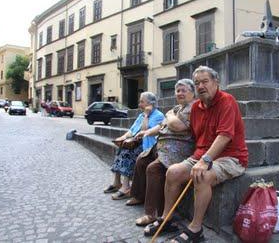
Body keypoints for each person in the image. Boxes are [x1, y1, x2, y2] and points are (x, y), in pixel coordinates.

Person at [144, 66, 249, 242]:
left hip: (230, 157)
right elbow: (189, 133)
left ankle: (195, 229)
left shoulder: (227, 101)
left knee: (202, 175)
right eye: (197, 83)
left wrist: (206, 159)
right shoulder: (196, 108)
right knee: (173, 172)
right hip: (200, 155)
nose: (200, 86)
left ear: (216, 82)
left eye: (205, 81)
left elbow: (224, 136)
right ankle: (166, 218)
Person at [125, 79, 196, 227]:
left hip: (178, 148)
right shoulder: (176, 108)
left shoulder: (193, 107)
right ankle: (138, 195)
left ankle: (152, 214)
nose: (180, 93)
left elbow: (177, 125)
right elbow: (162, 125)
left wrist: (169, 116)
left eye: (184, 90)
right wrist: (147, 132)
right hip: (163, 145)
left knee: (153, 169)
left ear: (192, 93)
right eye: (178, 91)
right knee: (141, 160)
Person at [104, 92, 164, 200]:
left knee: (128, 152)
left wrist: (146, 115)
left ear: (150, 103)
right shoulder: (140, 115)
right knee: (121, 147)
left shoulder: (158, 115)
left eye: (142, 101)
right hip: (137, 142)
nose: (139, 104)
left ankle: (126, 187)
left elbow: (144, 131)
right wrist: (122, 138)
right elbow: (132, 131)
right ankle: (117, 182)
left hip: (148, 146)